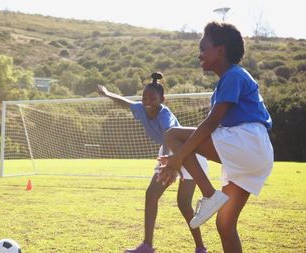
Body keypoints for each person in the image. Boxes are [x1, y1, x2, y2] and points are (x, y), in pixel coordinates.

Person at [157, 22, 274, 253]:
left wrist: (177, 159)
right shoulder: (227, 81)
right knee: (225, 223)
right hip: (256, 154)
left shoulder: (233, 75)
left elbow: (210, 124)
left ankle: (209, 194)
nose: (199, 54)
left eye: (203, 48)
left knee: (173, 135)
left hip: (247, 142)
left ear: (220, 50)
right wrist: (177, 160)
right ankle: (211, 196)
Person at [98, 73, 209, 253]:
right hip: (167, 154)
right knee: (151, 195)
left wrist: (168, 164)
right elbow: (125, 103)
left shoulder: (164, 114)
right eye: (144, 98)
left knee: (183, 203)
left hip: (188, 154)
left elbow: (168, 137)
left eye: (152, 98)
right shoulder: (141, 108)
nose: (147, 101)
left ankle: (200, 247)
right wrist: (107, 93)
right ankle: (147, 246)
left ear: (162, 99)